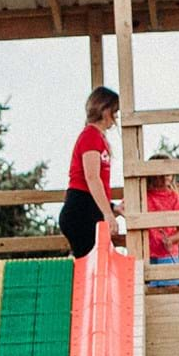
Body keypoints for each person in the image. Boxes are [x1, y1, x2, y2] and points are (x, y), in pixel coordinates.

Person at [59, 87, 124, 259]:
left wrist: (113, 208)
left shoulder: (98, 137)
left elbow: (95, 187)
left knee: (97, 264)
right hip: (80, 212)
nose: (116, 116)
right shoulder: (90, 136)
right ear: (104, 110)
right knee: (93, 266)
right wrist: (109, 215)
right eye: (114, 111)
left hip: (87, 209)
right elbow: (92, 178)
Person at [143, 167, 179, 286]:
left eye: (169, 173)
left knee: (171, 289)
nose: (167, 176)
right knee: (147, 294)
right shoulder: (142, 195)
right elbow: (123, 207)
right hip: (145, 253)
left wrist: (171, 239)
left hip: (168, 254)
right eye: (162, 173)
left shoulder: (175, 198)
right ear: (152, 176)